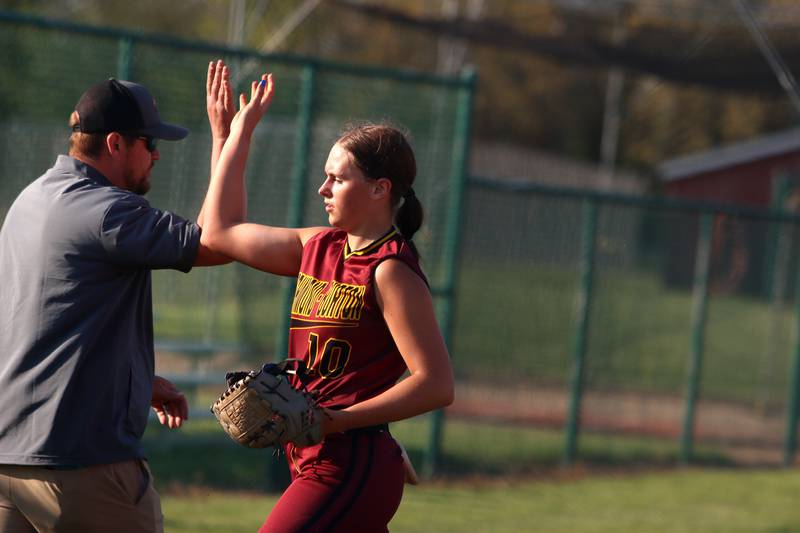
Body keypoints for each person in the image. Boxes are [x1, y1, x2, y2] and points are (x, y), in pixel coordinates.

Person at [201, 61, 454, 532]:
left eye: (338, 178)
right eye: (325, 176)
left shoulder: (390, 270)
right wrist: (233, 136)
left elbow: (436, 383)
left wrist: (340, 419)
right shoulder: (316, 246)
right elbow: (219, 232)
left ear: (380, 189)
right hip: (312, 454)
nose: (323, 188)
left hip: (350, 461)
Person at [0, 68, 232, 533]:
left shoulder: (30, 199)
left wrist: (136, 380)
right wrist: (226, 139)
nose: (157, 154)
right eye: (148, 142)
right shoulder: (107, 210)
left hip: (8, 462)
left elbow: (48, 325)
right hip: (81, 466)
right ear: (115, 144)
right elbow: (216, 242)